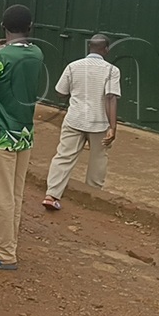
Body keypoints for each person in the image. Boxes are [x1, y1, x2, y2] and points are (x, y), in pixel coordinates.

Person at [0, 4, 44, 271]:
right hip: (23, 133)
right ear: (30, 27)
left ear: (3, 27)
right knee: (14, 193)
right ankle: (2, 242)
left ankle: (3, 254)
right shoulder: (36, 53)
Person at [43, 34, 120, 210]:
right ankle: (92, 198)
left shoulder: (73, 66)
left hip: (74, 119)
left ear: (89, 48)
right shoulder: (112, 70)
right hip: (99, 123)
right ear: (106, 49)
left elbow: (60, 92)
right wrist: (113, 127)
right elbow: (111, 98)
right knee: (98, 160)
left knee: (64, 156)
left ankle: (51, 195)